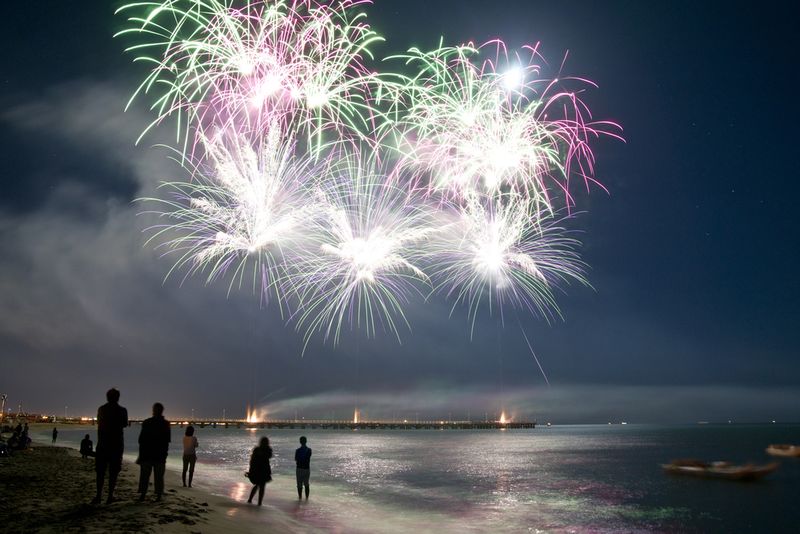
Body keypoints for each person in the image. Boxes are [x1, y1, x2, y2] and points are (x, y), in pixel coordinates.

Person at [93, 388, 128, 505]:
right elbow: (124, 424)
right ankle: (110, 496)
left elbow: (100, 422)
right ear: (118, 398)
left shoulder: (101, 409)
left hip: (102, 444)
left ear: (107, 397)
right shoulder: (122, 410)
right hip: (116, 445)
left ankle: (98, 495)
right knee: (113, 472)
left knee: (100, 472)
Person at [137, 402, 171, 502]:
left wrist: (141, 454)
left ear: (153, 411)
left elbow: (141, 440)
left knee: (144, 476)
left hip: (147, 453)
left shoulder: (147, 422)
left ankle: (143, 495)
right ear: (162, 411)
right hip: (160, 454)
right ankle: (158, 496)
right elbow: (167, 441)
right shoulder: (165, 424)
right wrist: (165, 454)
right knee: (159, 477)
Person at [246, 436, 272, 506]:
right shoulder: (266, 449)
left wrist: (250, 470)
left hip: (260, 470)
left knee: (258, 485)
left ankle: (252, 500)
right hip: (262, 470)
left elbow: (252, 460)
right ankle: (258, 502)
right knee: (261, 486)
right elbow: (269, 456)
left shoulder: (259, 449)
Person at [295, 436, 312, 500]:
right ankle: (307, 499)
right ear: (306, 441)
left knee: (299, 485)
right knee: (306, 484)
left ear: (300, 442)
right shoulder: (309, 450)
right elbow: (308, 458)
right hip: (306, 469)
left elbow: (296, 459)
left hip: (299, 468)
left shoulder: (297, 450)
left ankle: (300, 498)